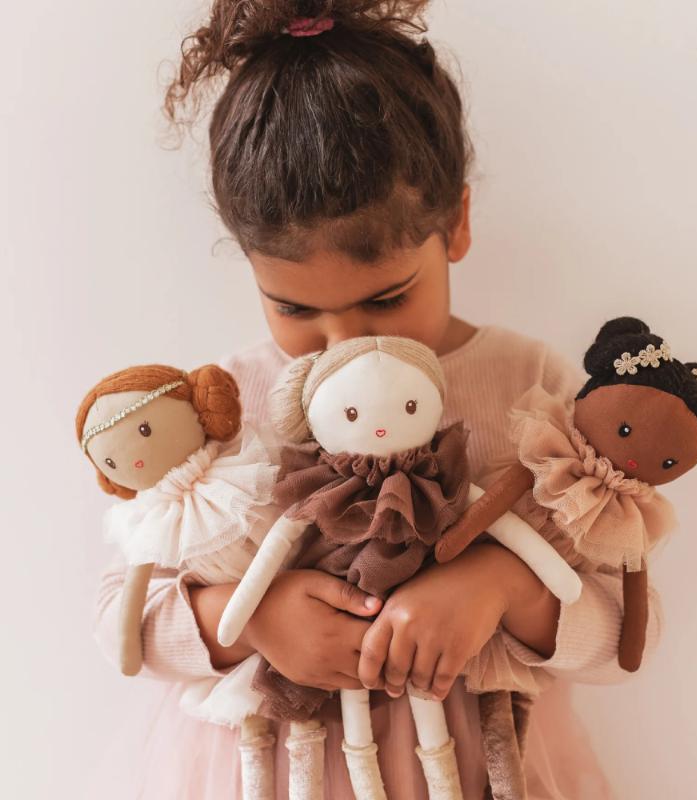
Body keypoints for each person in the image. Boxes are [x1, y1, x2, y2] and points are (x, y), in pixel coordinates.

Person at [93, 2, 662, 797]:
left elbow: (628, 634)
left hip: (482, 766)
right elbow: (123, 623)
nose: (344, 344)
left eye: (387, 299)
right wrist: (251, 617)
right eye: (294, 309)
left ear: (456, 223)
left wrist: (504, 587)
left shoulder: (528, 385)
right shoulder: (223, 403)